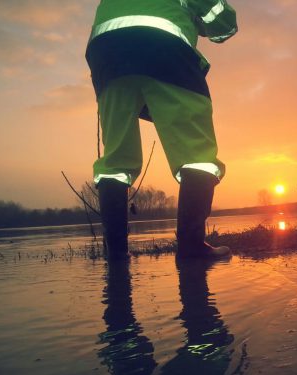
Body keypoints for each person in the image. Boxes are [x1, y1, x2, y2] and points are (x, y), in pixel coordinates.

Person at [85, 0, 237, 259]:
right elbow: (223, 25)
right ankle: (192, 249)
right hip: (164, 47)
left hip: (106, 53)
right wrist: (199, 22)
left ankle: (116, 254)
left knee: (116, 159)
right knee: (197, 155)